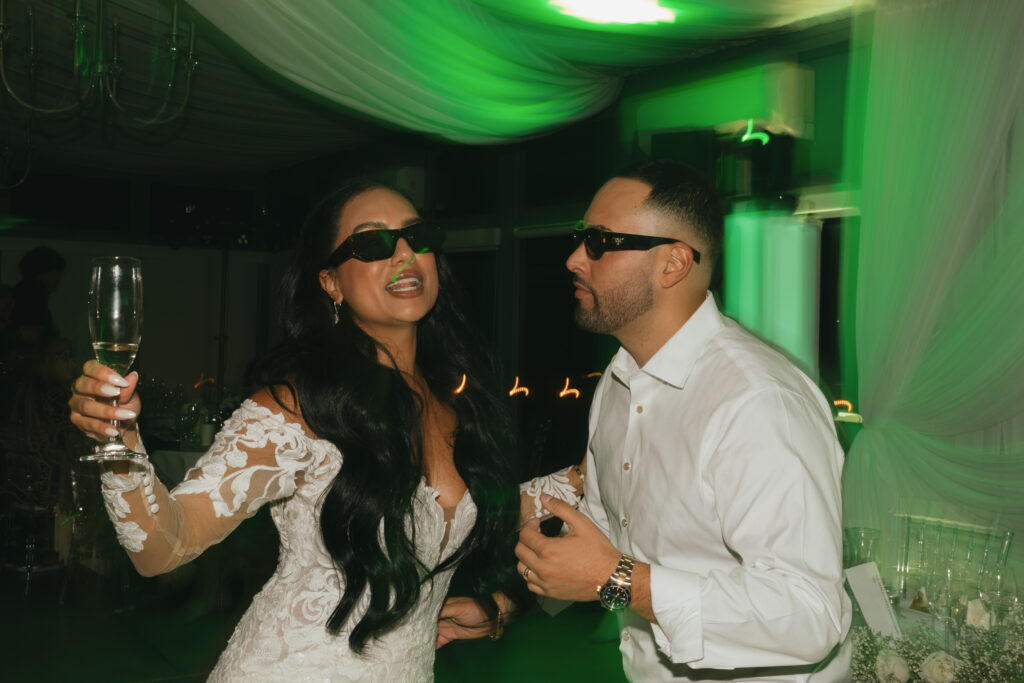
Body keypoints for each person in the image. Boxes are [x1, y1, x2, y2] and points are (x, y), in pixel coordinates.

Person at [69, 179, 579, 681]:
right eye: (372, 242)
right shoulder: (295, 408)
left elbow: (479, 509)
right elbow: (162, 549)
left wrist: (588, 477)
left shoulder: (453, 400)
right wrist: (118, 440)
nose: (404, 254)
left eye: (416, 237)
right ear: (330, 282)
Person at [508, 159, 851, 681]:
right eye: (581, 238)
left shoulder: (757, 400)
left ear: (672, 264)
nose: (575, 259)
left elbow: (809, 613)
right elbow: (613, 536)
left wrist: (619, 581)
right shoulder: (617, 385)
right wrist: (508, 599)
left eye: (599, 242)